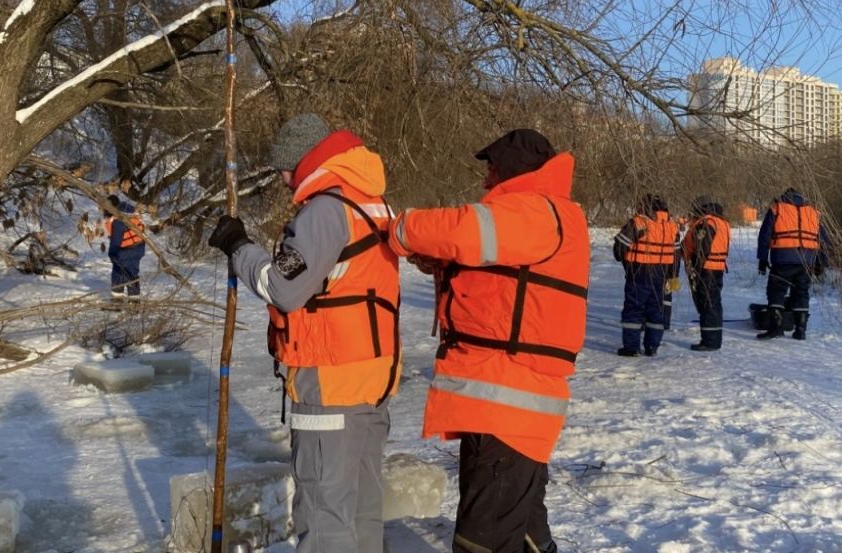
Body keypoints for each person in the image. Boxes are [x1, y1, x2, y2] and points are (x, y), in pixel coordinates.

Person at [386, 129, 589, 553]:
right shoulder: (542, 214)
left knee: (484, 542)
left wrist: (401, 229)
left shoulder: (533, 210)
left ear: (513, 170)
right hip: (507, 405)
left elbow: (462, 230)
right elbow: (502, 282)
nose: (485, 180)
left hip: (507, 406)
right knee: (528, 534)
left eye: (492, 170)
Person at [207, 113, 400, 553]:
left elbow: (283, 288)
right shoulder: (373, 202)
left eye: (284, 168)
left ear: (306, 162)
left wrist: (239, 247)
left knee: (324, 513)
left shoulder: (324, 212)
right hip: (372, 379)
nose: (280, 178)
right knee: (362, 510)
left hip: (329, 381)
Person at [756, 187, 829, 341]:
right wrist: (821, 262)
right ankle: (800, 330)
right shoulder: (813, 211)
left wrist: (762, 258)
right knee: (801, 292)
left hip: (783, 258)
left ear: (785, 196)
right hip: (806, 260)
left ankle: (776, 328)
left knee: (776, 291)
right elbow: (824, 240)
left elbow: (765, 235)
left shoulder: (777, 208)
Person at [613, 193, 681, 357]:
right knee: (656, 311)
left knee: (633, 310)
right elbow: (677, 256)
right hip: (662, 273)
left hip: (639, 272)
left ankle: (631, 347)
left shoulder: (638, 223)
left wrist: (628, 266)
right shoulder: (672, 227)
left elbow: (619, 248)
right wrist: (673, 279)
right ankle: (652, 346)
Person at [682, 195, 730, 351]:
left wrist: (695, 264)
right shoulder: (721, 222)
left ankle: (710, 341)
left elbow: (702, 247)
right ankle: (713, 339)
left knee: (708, 304)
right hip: (717, 267)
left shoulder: (706, 223)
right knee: (714, 303)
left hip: (706, 269)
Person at [104, 194, 146, 300]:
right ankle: (134, 301)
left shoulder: (117, 220)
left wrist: (112, 254)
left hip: (126, 249)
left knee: (118, 272)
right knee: (132, 272)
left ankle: (117, 300)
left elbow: (115, 241)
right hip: (139, 247)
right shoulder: (129, 211)